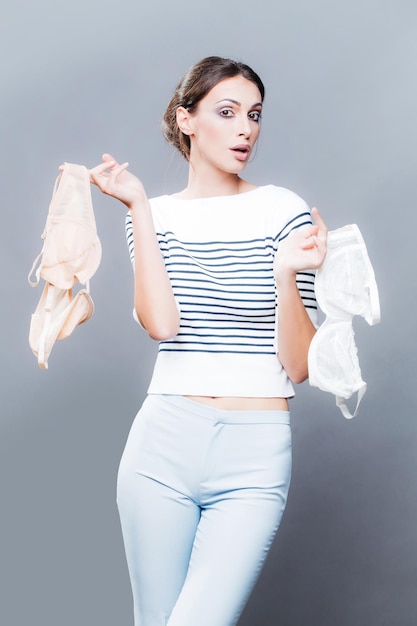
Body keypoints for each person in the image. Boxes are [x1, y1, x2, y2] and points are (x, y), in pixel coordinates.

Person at [90, 56, 327, 626]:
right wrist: (139, 208)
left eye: (254, 114)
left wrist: (284, 277)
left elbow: (300, 366)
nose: (246, 128)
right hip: (162, 444)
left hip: (255, 452)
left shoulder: (283, 210)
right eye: (227, 112)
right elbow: (162, 326)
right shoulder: (154, 215)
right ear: (187, 120)